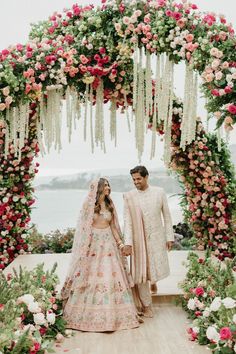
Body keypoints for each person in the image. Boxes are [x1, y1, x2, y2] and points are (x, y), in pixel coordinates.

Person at [61, 178, 140, 332]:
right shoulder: (89, 206)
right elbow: (84, 228)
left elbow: (114, 227)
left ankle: (116, 316)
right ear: (98, 189)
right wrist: (86, 248)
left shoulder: (110, 205)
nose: (108, 188)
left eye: (109, 185)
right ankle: (87, 316)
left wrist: (120, 244)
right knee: (91, 277)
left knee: (112, 277)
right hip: (94, 245)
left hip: (109, 244)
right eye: (105, 186)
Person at [123, 166, 174, 318]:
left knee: (154, 268)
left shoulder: (159, 192)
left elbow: (167, 216)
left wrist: (169, 237)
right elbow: (128, 221)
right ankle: (147, 306)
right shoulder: (129, 196)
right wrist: (128, 242)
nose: (136, 182)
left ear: (146, 177)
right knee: (140, 274)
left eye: (139, 179)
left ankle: (153, 281)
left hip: (156, 237)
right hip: (139, 241)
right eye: (133, 179)